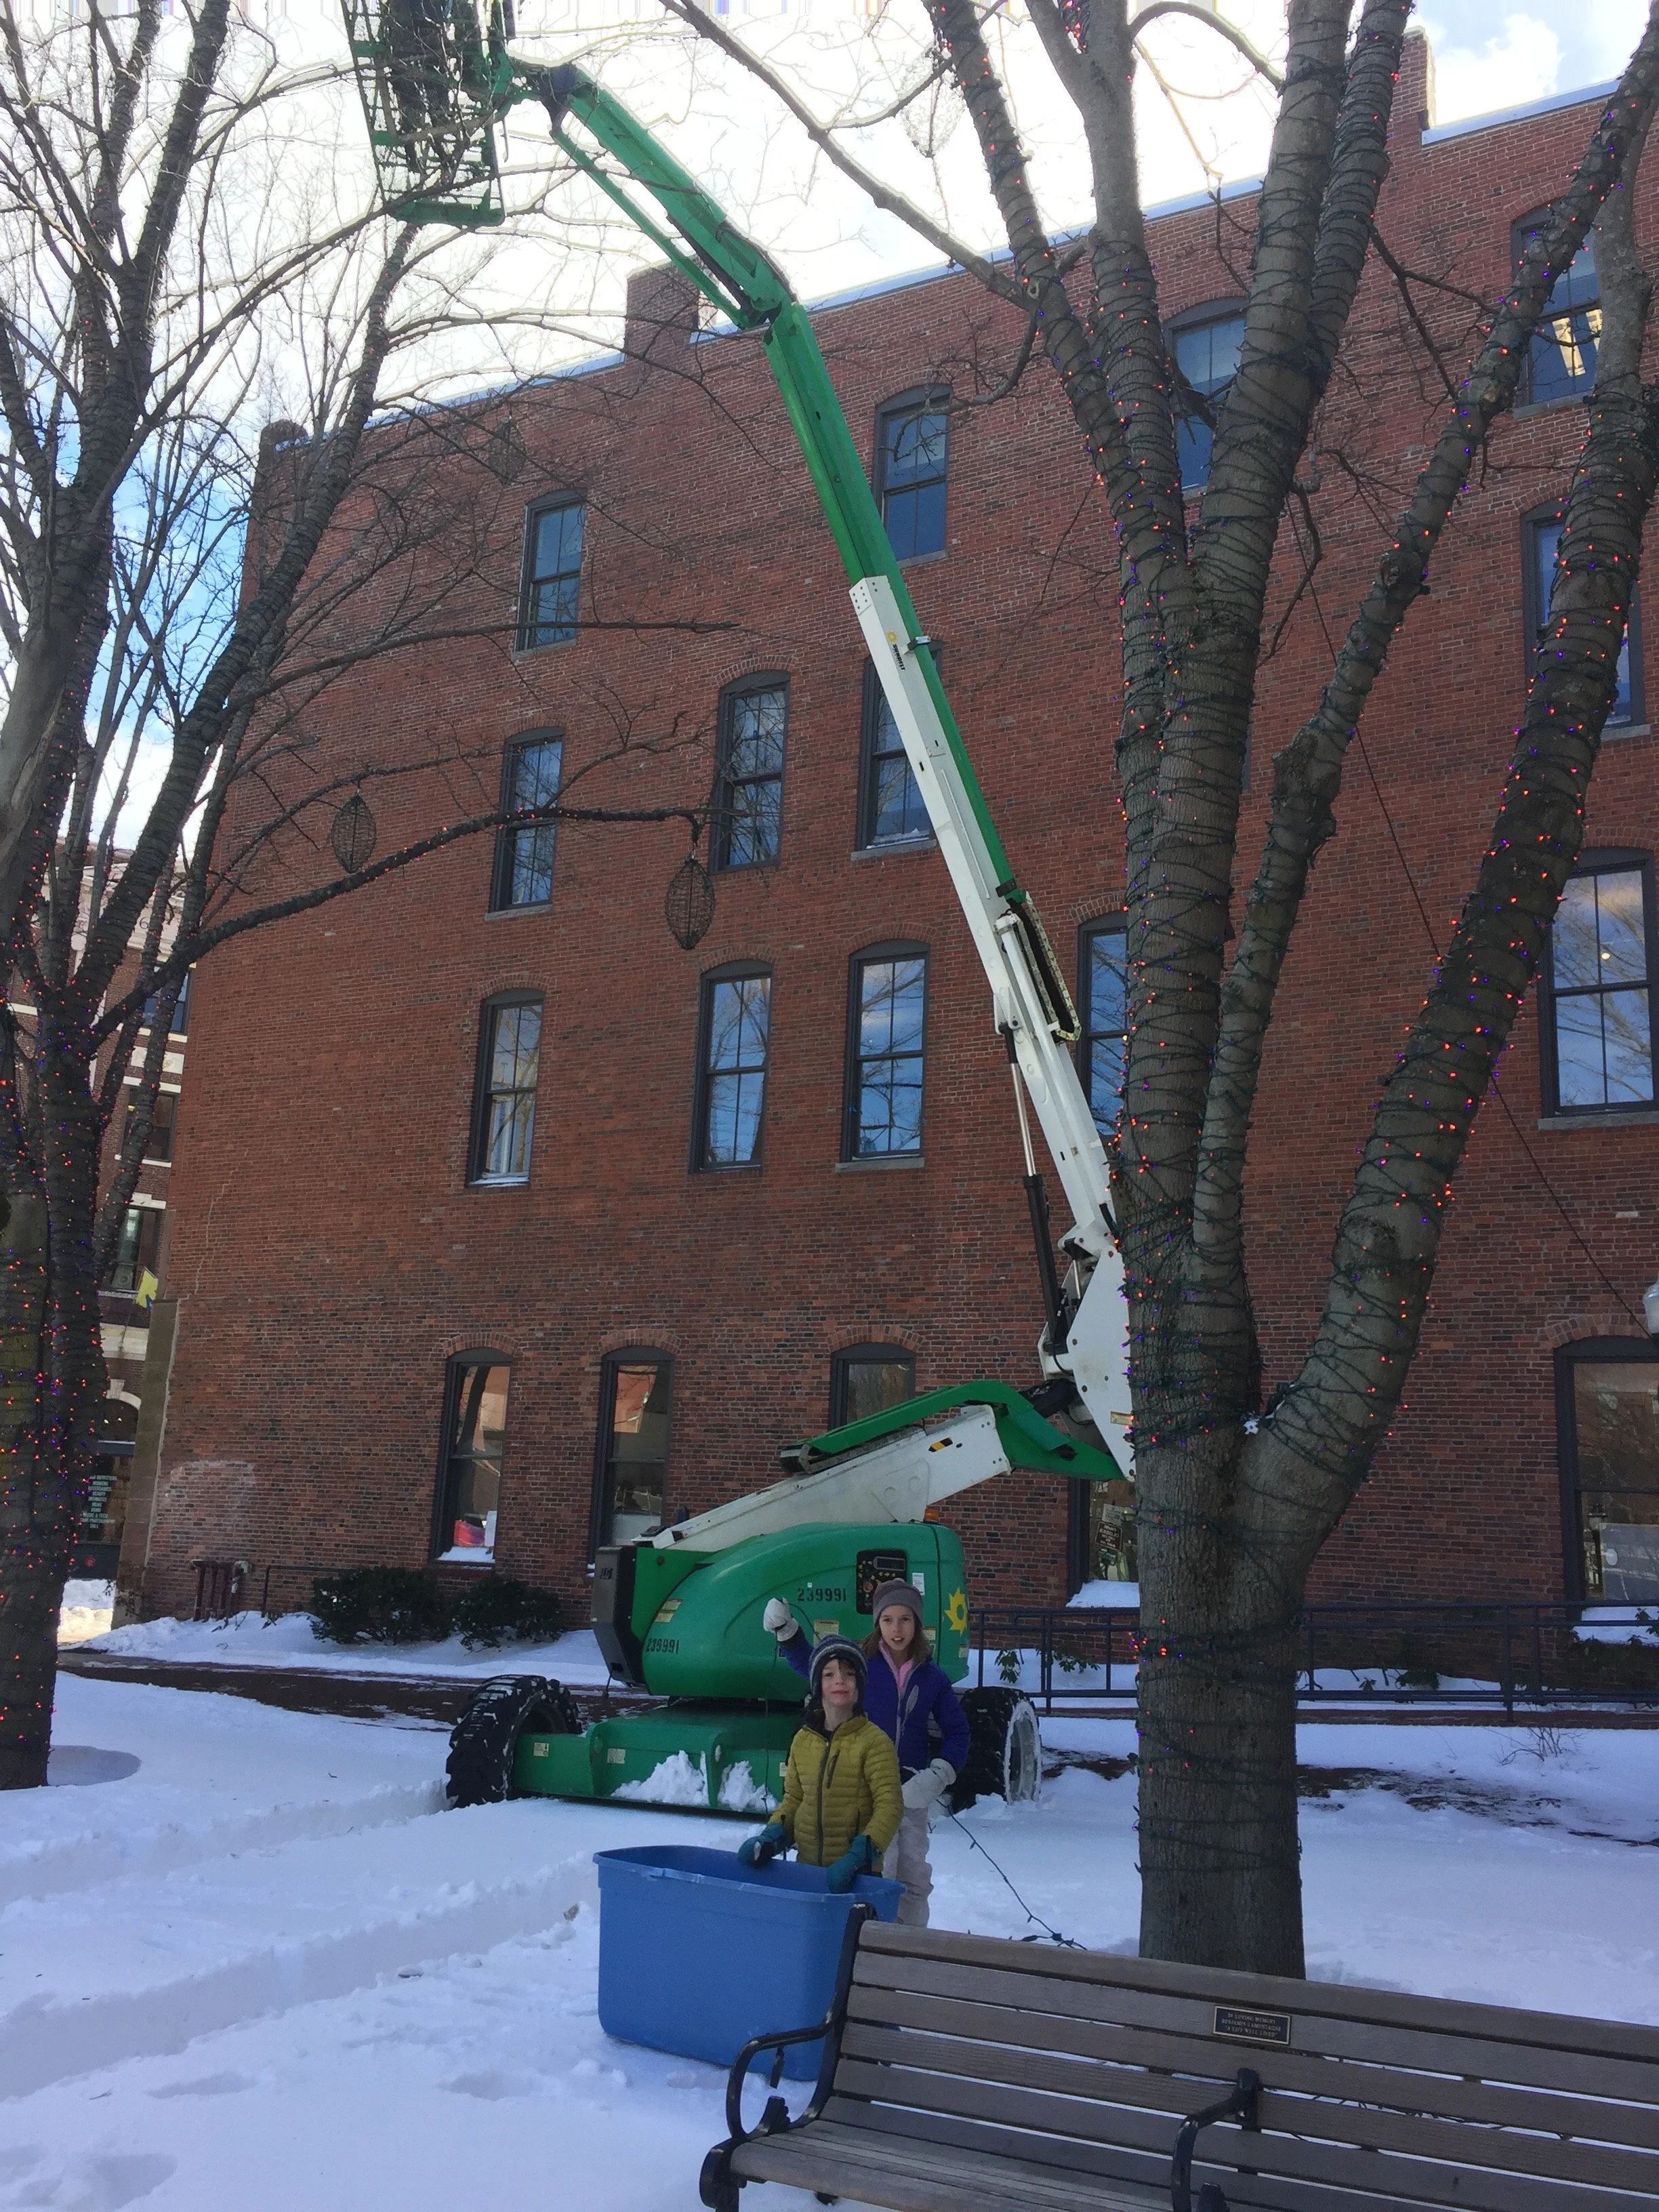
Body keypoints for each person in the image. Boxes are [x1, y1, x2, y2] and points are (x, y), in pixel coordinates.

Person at [761, 1580, 968, 1927]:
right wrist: (788, 1632)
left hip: (912, 1793)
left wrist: (938, 1774)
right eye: (887, 1620)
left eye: (905, 1620)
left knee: (914, 1877)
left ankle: (911, 1950)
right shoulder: (861, 1664)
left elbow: (958, 1732)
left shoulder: (933, 1678)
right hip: (866, 1792)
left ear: (917, 1624)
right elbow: (815, 1666)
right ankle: (874, 1946)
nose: (896, 1629)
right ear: (878, 1623)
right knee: (879, 1876)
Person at [736, 1637, 901, 1891]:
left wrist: (861, 1855)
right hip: (808, 1875)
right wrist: (771, 1837)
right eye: (829, 1674)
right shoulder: (803, 1741)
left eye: (849, 1674)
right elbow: (794, 1799)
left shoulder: (875, 1742)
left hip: (858, 1879)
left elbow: (890, 1804)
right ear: (817, 1685)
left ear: (860, 1686)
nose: (840, 1681)